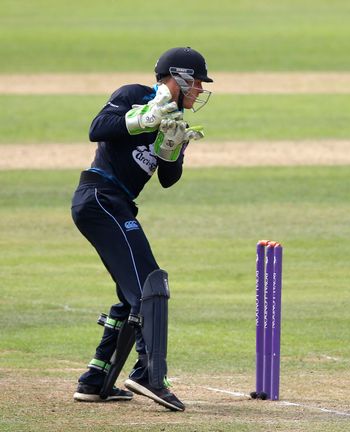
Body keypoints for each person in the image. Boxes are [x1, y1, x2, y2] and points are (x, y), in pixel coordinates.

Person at [70, 47, 212, 411]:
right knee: (152, 285)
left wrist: (171, 148)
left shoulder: (174, 117)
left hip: (116, 204)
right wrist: (141, 119)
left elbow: (167, 178)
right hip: (99, 197)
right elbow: (96, 129)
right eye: (196, 82)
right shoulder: (134, 96)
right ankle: (150, 374)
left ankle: (96, 380)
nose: (199, 89)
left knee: (132, 294)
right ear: (178, 77)